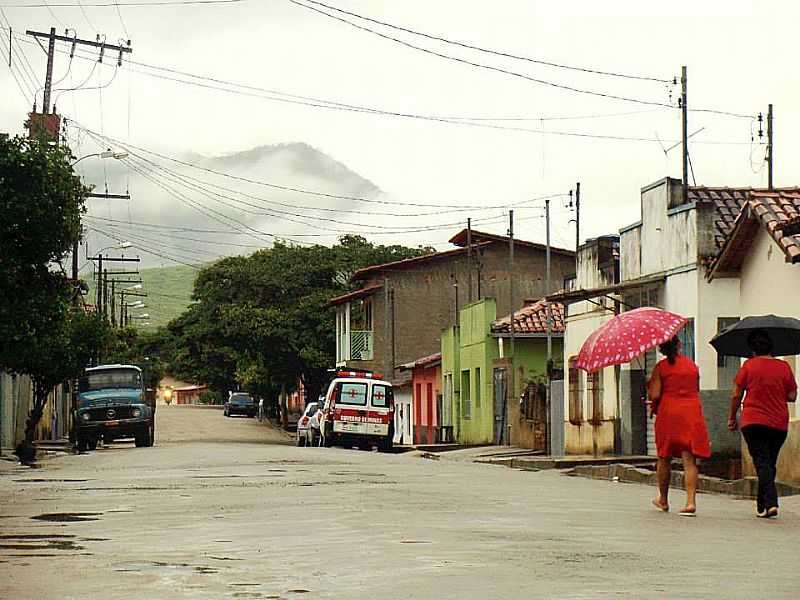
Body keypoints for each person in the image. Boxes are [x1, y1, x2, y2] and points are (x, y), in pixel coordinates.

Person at [729, 329, 797, 519]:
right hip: (778, 423)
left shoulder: (748, 367)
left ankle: (771, 503)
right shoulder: (783, 367)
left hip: (753, 421)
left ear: (752, 350)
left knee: (762, 462)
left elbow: (736, 394)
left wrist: (732, 417)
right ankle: (764, 504)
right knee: (768, 463)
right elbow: (792, 396)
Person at [647, 336, 711, 516]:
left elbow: (656, 394)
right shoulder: (692, 366)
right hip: (690, 411)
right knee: (689, 459)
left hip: (669, 413)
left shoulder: (661, 368)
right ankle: (690, 502)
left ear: (661, 349)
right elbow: (695, 388)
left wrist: (650, 388)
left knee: (664, 457)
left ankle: (664, 499)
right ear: (679, 345)